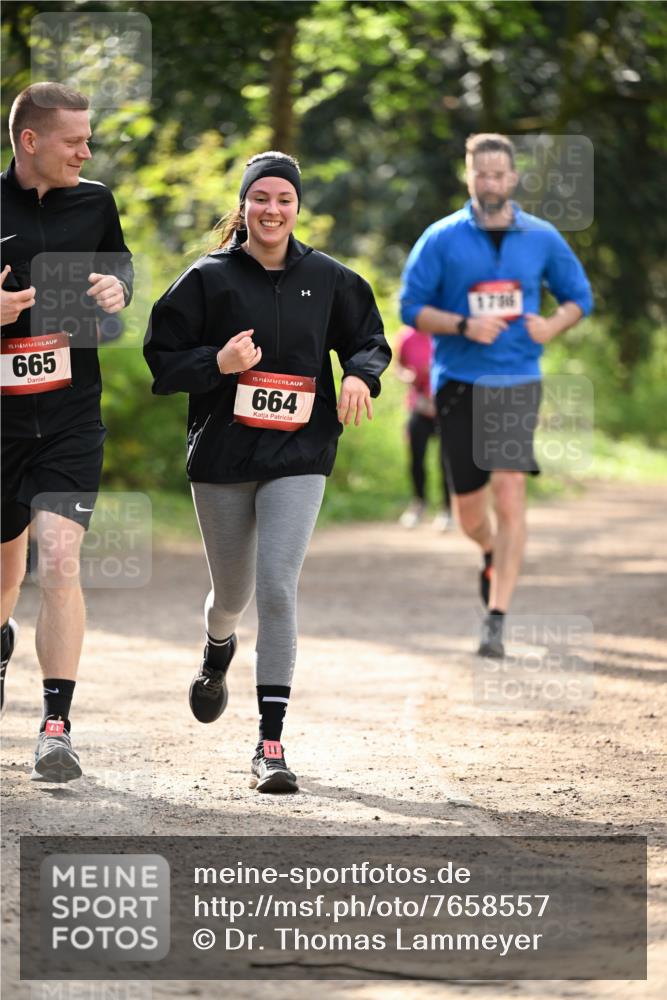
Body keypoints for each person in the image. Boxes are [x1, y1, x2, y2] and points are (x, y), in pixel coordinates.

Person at [144, 151, 390, 793]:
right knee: (233, 595)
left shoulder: (331, 279)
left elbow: (369, 337)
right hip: (225, 456)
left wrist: (362, 374)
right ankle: (216, 647)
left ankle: (270, 743)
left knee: (277, 586)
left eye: (284, 198)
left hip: (301, 454)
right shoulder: (207, 278)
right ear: (244, 205)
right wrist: (217, 362)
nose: (272, 209)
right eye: (261, 198)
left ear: (297, 206)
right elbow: (163, 363)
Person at [400, 133, 592, 658]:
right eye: (479, 173)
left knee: (509, 491)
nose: (489, 182)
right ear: (469, 177)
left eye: (498, 174)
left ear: (512, 179)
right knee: (469, 514)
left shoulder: (542, 237)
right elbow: (410, 308)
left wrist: (552, 326)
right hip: (459, 385)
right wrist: (462, 324)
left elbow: (579, 297)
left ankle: (497, 618)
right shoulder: (440, 238)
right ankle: (488, 552)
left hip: (515, 381)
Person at [1, 83, 133, 780]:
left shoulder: (96, 201)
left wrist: (118, 289)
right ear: (30, 141)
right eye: (74, 140)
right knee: (4, 573)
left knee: (57, 557)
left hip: (71, 413)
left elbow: (119, 269)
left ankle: (56, 726)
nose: (87, 150)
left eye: (89, 139)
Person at [395, 324, 452, 531]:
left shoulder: (448, 332)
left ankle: (448, 509)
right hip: (419, 406)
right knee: (416, 457)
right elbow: (399, 366)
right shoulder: (407, 336)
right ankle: (419, 503)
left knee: (446, 460)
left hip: (446, 407)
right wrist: (406, 376)